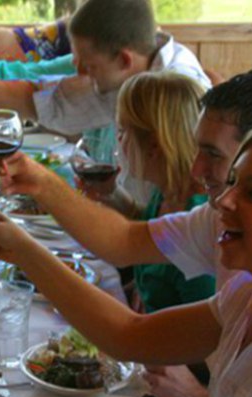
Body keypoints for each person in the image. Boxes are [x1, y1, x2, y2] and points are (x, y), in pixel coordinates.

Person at [0, 122, 252, 397]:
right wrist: (20, 249)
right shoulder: (246, 295)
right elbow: (128, 335)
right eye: (232, 183)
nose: (224, 201)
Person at [0, 0, 210, 135]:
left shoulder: (175, 94)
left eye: (89, 66)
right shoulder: (132, 70)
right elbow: (51, 101)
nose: (77, 70)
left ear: (124, 60)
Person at [96, 71, 214, 312]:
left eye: (122, 130)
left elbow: (198, 343)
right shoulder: (169, 191)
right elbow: (147, 227)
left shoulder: (199, 223)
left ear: (153, 145)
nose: (118, 139)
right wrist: (111, 193)